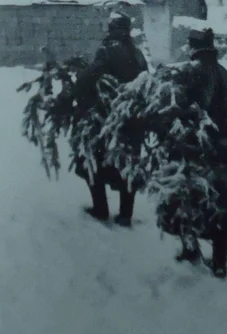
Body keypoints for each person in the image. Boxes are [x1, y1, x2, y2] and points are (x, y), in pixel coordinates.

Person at [172, 28, 227, 279]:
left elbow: (180, 106)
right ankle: (220, 262)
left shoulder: (189, 71)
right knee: (223, 197)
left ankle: (190, 248)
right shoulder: (223, 72)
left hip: (196, 139)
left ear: (195, 46)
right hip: (222, 140)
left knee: (189, 189)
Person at [73, 11, 148, 227]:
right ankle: (126, 215)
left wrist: (78, 89)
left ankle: (101, 209)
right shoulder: (138, 53)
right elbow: (145, 80)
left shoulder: (106, 50)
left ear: (112, 29)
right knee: (128, 164)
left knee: (94, 160)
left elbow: (89, 77)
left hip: (107, 121)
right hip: (133, 119)